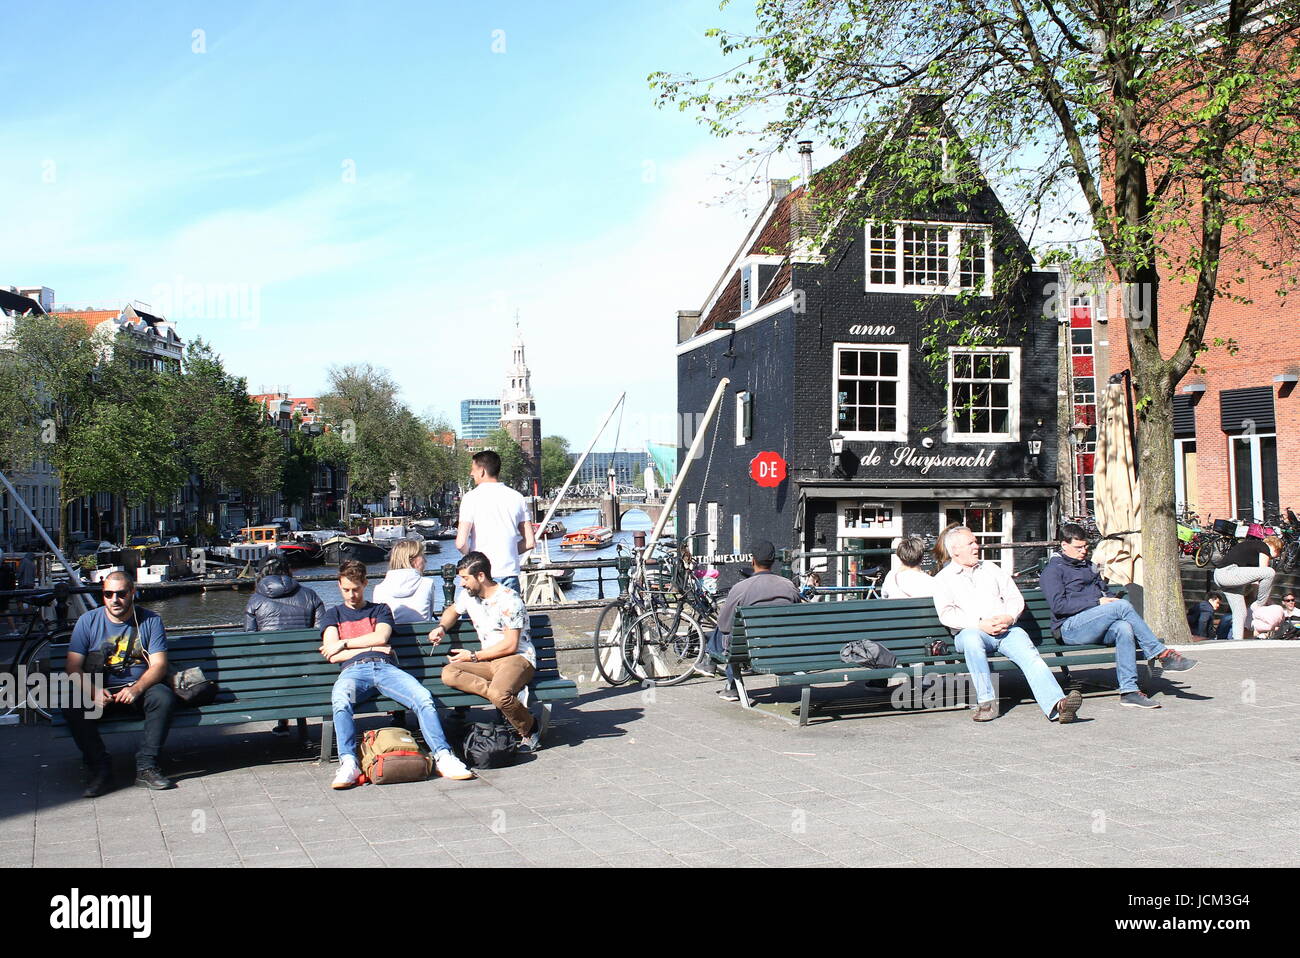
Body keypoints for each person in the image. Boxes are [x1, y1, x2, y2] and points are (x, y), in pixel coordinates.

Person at [323, 560, 473, 788]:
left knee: (423, 698)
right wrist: (371, 648)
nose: (351, 595)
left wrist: (345, 644)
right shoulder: (332, 614)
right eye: (346, 590)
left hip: (385, 669)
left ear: (365, 584)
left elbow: (381, 638)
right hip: (353, 671)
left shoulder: (380, 609)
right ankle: (348, 762)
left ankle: (444, 756)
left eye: (356, 589)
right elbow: (333, 655)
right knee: (341, 701)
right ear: (339, 586)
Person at [932, 527, 1082, 724]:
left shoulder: (991, 568)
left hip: (1005, 630)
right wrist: (979, 624)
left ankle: (1058, 705)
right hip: (970, 631)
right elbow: (947, 614)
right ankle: (986, 702)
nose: (977, 546)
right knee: (971, 639)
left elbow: (1014, 598)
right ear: (955, 550)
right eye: (971, 543)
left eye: (976, 541)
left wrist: (1009, 617)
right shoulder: (944, 578)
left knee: (1030, 656)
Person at [1041, 524, 1197, 709]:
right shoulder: (1053, 570)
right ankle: (1161, 653)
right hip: (1069, 628)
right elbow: (1059, 606)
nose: (1084, 551)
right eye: (1078, 548)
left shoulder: (1088, 566)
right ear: (1064, 545)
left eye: (1086, 547)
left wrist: (1107, 599)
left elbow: (1104, 592)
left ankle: (1129, 691)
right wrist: (1097, 603)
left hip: (1095, 623)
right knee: (1122, 606)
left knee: (1124, 627)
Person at [62, 570, 178, 796]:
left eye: (121, 593)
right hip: (100, 689)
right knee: (73, 705)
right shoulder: (88, 621)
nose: (115, 600)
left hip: (138, 688)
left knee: (162, 698)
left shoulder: (150, 621)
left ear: (132, 593)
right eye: (108, 594)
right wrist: (93, 692)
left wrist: (136, 688)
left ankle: (147, 767)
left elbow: (159, 665)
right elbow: (73, 667)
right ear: (102, 595)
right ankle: (100, 770)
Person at [435, 552, 542, 750]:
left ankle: (530, 728)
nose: (461, 584)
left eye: (465, 578)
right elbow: (452, 611)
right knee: (450, 672)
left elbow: (511, 644)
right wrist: (441, 628)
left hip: (516, 658)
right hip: (489, 661)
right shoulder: (468, 596)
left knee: (500, 694)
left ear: (481, 576)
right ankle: (507, 698)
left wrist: (473, 656)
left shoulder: (510, 600)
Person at [705, 539, 801, 702]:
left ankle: (725, 679)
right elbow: (798, 620)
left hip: (749, 650)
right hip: (784, 649)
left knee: (724, 632)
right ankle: (708, 662)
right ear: (773, 562)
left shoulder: (741, 588)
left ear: (753, 561)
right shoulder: (789, 586)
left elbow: (724, 626)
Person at [244, 556, 325, 737]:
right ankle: (302, 730)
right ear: (289, 571)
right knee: (298, 663)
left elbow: (251, 640)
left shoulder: (254, 600)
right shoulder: (310, 594)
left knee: (278, 663)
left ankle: (283, 721)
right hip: (306, 668)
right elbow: (322, 632)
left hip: (270, 671)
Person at [455, 450, 536, 594]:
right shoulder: (517, 497)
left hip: (481, 575)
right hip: (509, 572)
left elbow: (461, 543)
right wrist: (508, 551)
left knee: (478, 615)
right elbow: (529, 542)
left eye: (473, 469)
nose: (471, 474)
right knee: (510, 615)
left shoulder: (470, 498)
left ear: (482, 471)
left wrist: (474, 557)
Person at [1213, 534, 1281, 640]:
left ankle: (1237, 641)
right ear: (1276, 548)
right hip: (1228, 572)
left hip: (1223, 576)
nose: (1272, 558)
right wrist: (1262, 602)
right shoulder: (1263, 546)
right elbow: (1264, 570)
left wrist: (1262, 595)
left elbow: (1256, 583)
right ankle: (1259, 605)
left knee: (1240, 612)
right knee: (1269, 572)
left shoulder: (1253, 551)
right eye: (1274, 556)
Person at [373, 538, 436, 623]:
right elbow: (429, 613)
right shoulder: (427, 583)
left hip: (391, 635)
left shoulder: (379, 589)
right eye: (422, 556)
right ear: (413, 560)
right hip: (423, 634)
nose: (425, 560)